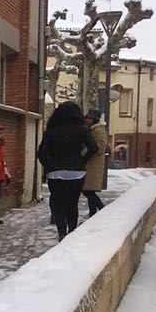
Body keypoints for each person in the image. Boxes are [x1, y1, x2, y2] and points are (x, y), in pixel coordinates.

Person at [38, 102, 95, 240]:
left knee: (58, 203)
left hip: (56, 172)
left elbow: (41, 153)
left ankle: (62, 232)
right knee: (72, 203)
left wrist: (48, 166)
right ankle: (72, 230)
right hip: (76, 172)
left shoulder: (51, 131)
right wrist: (82, 160)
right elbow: (94, 148)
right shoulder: (82, 130)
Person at [82, 108, 109, 216]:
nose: (86, 120)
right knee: (89, 189)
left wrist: (85, 152)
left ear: (94, 120)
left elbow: (101, 147)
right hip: (90, 163)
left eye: (88, 118)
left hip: (94, 164)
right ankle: (93, 213)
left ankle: (101, 208)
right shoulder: (91, 130)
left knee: (87, 190)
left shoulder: (98, 130)